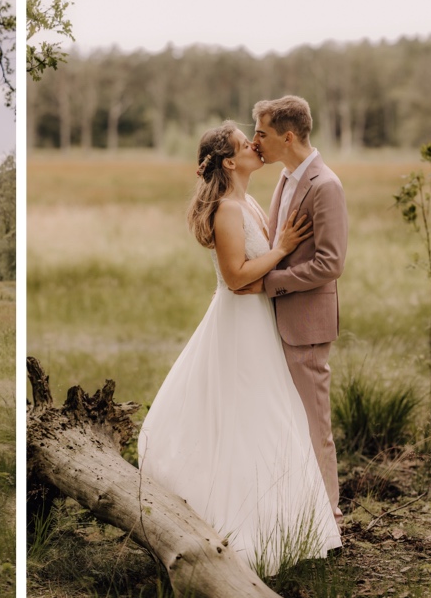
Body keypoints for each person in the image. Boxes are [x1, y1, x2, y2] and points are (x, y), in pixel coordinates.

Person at [137, 120, 342, 575]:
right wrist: (284, 246)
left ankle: (288, 518)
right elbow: (234, 276)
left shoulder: (247, 200)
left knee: (268, 415)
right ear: (230, 162)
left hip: (259, 321)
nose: (254, 146)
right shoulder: (228, 209)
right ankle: (246, 521)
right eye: (244, 144)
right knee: (249, 416)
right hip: (240, 323)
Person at [238, 95, 349, 526]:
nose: (255, 141)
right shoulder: (285, 179)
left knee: (314, 423)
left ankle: (330, 516)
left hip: (306, 324)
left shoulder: (326, 186)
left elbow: (331, 264)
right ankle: (294, 510)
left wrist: (269, 284)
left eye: (261, 133)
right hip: (276, 322)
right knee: (283, 420)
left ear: (287, 136)